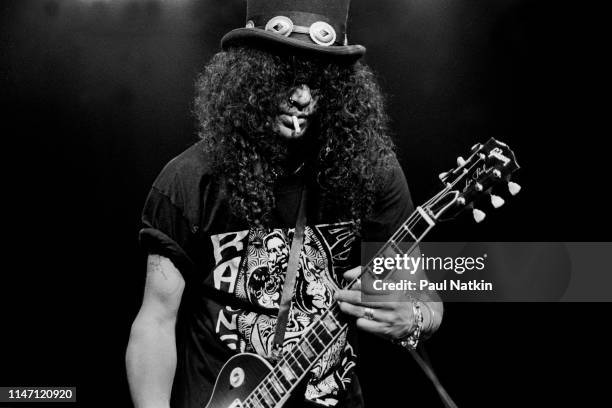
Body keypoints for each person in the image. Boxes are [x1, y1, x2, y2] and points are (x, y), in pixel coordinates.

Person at [126, 1, 443, 407]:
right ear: (247, 79)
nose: (301, 96)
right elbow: (155, 321)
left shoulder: (372, 173)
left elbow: (425, 297)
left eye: (318, 81)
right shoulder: (189, 179)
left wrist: (414, 319)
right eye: (284, 77)